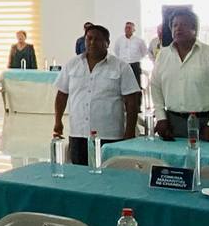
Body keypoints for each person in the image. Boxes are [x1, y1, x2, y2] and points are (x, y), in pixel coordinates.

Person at [51, 23, 141, 165]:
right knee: (79, 173)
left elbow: (131, 102)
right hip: (78, 133)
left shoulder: (121, 67)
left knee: (109, 174)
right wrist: (58, 122)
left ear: (107, 43)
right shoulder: (72, 64)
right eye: (89, 38)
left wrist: (129, 132)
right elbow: (62, 95)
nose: (92, 42)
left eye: (97, 39)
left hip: (109, 135)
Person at [146, 10, 209, 140]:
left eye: (184, 24)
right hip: (172, 123)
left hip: (206, 122)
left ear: (195, 29)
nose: (178, 28)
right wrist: (161, 117)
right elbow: (156, 87)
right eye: (175, 25)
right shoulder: (163, 56)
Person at [114, 20, 149, 86]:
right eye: (126, 28)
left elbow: (144, 52)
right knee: (124, 84)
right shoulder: (119, 40)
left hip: (135, 65)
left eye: (129, 28)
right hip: (123, 65)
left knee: (136, 85)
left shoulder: (139, 41)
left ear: (134, 30)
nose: (127, 29)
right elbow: (116, 51)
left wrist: (136, 58)